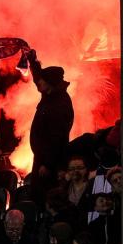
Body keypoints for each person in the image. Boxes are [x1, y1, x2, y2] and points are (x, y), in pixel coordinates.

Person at [25, 48, 74, 200]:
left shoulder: (60, 104)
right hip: (41, 158)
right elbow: (38, 77)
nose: (38, 82)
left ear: (50, 83)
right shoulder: (50, 94)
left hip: (49, 163)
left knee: (45, 196)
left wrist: (47, 163)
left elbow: (57, 137)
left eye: (43, 80)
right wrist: (32, 61)